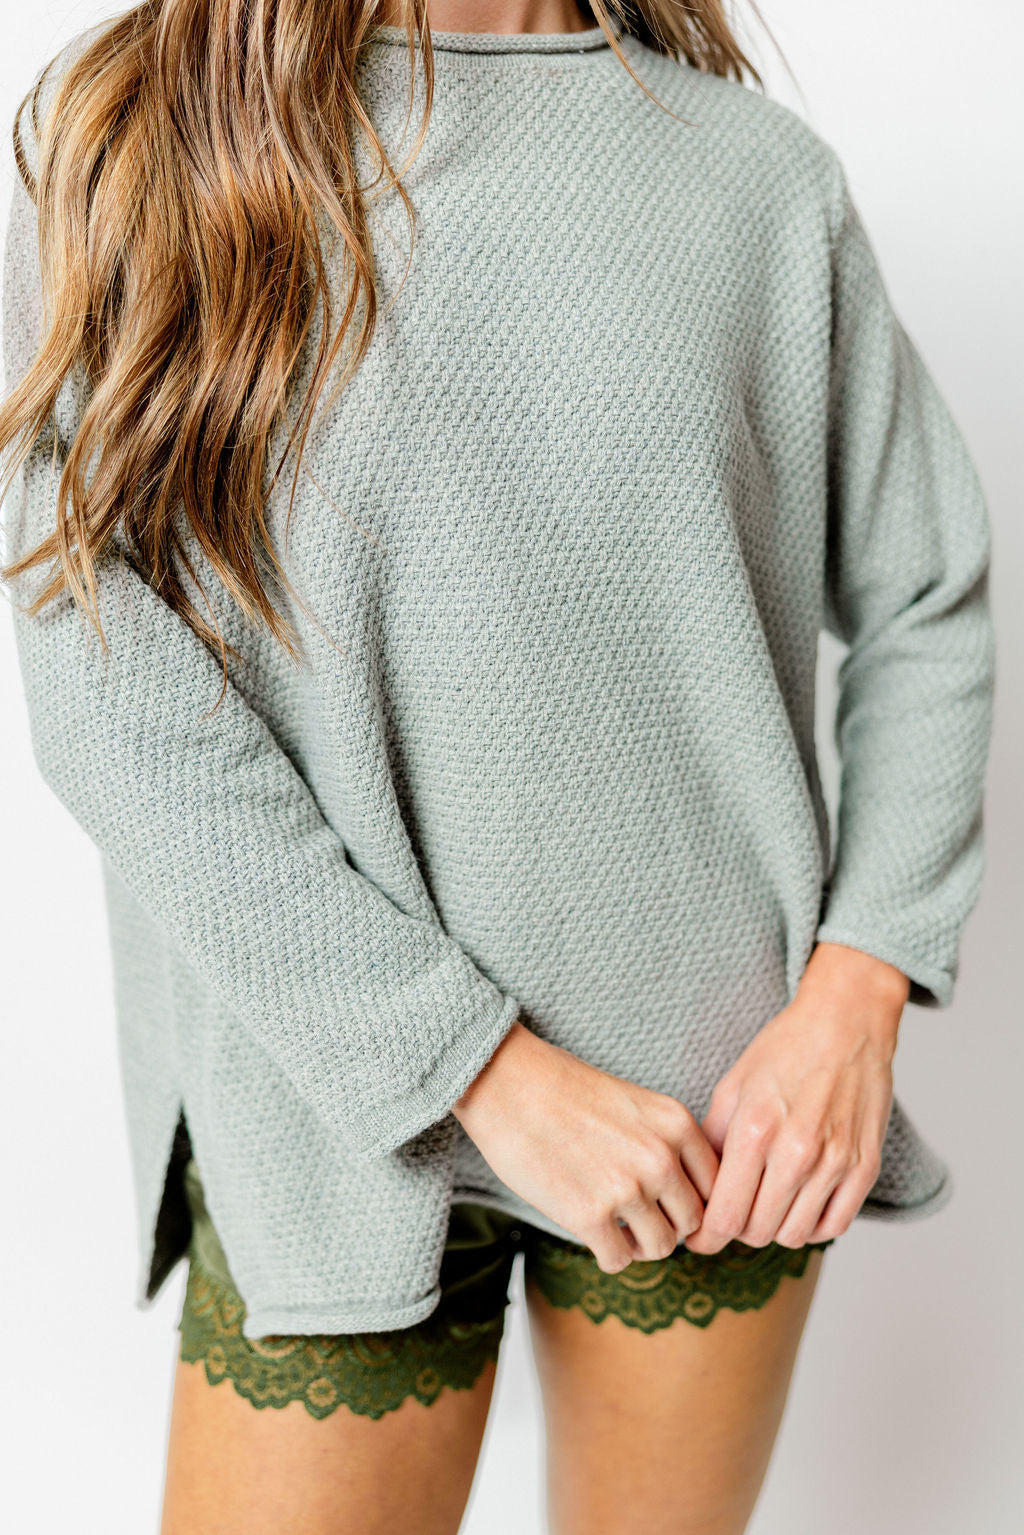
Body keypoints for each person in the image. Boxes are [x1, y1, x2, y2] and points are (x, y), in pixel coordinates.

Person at [0, 1, 995, 1531]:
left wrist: (859, 991)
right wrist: (476, 1068)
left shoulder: (754, 179)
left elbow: (927, 596)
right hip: (335, 1113)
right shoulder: (149, 124)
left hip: (720, 1114)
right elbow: (105, 693)